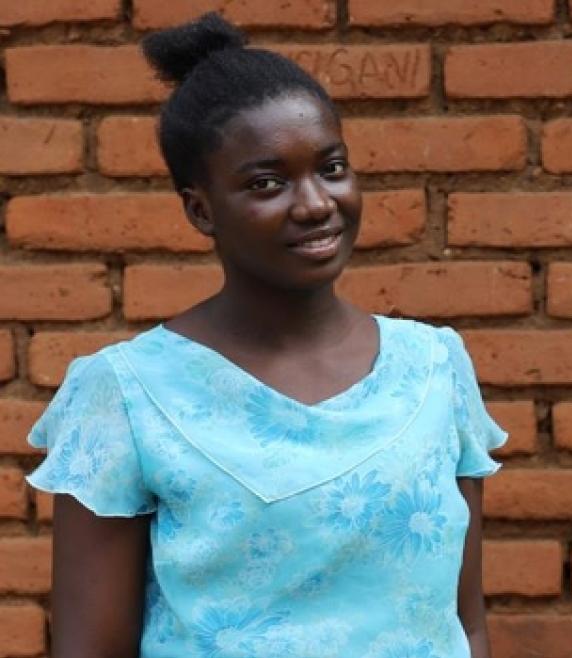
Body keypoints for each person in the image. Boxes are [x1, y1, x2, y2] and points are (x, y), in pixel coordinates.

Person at [25, 13, 506, 658]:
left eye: (330, 168)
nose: (314, 203)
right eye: (267, 183)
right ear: (200, 209)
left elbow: (463, 624)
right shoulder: (126, 394)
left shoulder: (433, 369)